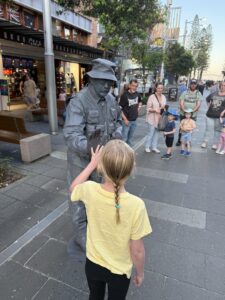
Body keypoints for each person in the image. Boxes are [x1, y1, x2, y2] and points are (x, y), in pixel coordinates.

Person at [70, 140, 152, 300]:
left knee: (95, 296)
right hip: (119, 271)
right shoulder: (136, 205)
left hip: (93, 263)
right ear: (131, 168)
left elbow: (73, 187)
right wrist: (140, 273)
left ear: (101, 167)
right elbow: (138, 251)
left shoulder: (89, 189)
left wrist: (92, 164)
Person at [63, 58, 122, 254]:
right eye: (103, 81)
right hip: (81, 160)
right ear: (92, 79)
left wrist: (118, 138)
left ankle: (97, 229)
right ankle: (82, 235)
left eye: (110, 82)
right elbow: (71, 135)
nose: (107, 86)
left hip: (103, 161)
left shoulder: (111, 100)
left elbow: (116, 124)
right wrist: (92, 149)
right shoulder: (79, 101)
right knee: (78, 198)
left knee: (100, 197)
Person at [176, 79, 202, 146]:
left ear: (196, 85)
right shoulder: (185, 92)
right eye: (192, 84)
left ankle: (187, 141)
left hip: (192, 114)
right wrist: (184, 109)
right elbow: (181, 101)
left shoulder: (198, 93)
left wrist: (192, 111)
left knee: (190, 127)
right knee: (182, 126)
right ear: (190, 84)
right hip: (183, 113)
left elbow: (198, 104)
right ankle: (179, 140)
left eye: (194, 84)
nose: (193, 85)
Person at [201, 81, 225, 150]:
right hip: (210, 115)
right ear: (219, 86)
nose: (223, 87)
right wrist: (208, 106)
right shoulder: (214, 93)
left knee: (217, 130)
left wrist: (223, 112)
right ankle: (205, 142)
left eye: (224, 85)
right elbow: (207, 99)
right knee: (208, 129)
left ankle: (215, 144)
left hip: (220, 117)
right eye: (222, 85)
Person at [145, 82, 167, 153]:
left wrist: (164, 109)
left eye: (161, 88)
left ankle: (154, 147)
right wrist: (155, 110)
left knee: (157, 133)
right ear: (156, 88)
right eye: (158, 88)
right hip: (151, 118)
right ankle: (147, 147)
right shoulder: (152, 97)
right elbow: (148, 108)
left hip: (159, 118)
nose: (160, 89)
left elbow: (165, 107)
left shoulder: (164, 97)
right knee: (150, 133)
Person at [119, 79, 142, 146]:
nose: (134, 87)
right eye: (133, 86)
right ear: (129, 85)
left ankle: (128, 154)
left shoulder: (137, 94)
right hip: (126, 121)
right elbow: (120, 109)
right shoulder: (124, 95)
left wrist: (139, 108)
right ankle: (122, 154)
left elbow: (140, 101)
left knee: (130, 139)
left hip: (134, 120)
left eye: (136, 86)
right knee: (124, 139)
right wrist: (125, 119)